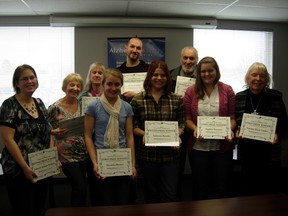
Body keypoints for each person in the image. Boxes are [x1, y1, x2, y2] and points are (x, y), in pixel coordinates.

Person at [0, 64, 53, 216]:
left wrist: (51, 158)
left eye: (32, 77)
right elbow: (8, 140)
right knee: (23, 210)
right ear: (17, 83)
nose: (30, 81)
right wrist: (25, 168)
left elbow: (48, 131)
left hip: (41, 167)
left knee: (39, 208)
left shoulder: (40, 103)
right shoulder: (9, 105)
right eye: (25, 79)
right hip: (19, 170)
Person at [130, 60, 185, 203]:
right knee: (151, 194)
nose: (159, 78)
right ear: (149, 76)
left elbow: (182, 124)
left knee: (170, 195)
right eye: (155, 74)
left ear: (167, 77)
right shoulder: (137, 100)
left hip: (170, 156)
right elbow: (133, 126)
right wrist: (145, 135)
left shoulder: (176, 100)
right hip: (148, 156)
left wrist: (176, 136)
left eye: (162, 75)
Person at [183, 56, 236, 200]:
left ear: (216, 71)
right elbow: (187, 119)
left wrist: (228, 129)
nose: (207, 74)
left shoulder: (227, 90)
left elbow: (232, 118)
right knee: (200, 187)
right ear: (198, 73)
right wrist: (195, 128)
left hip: (222, 148)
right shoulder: (190, 91)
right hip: (198, 148)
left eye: (210, 70)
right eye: (203, 71)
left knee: (221, 187)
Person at [84, 68, 137, 206]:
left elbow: (129, 136)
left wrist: (132, 164)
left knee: (123, 202)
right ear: (103, 84)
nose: (113, 88)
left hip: (122, 160)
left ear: (121, 85)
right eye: (109, 84)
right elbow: (88, 136)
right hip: (102, 161)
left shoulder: (126, 107)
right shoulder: (92, 106)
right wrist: (95, 163)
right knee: (105, 203)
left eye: (117, 84)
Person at [235, 62, 288, 196]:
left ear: (267, 79)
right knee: (247, 187)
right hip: (247, 150)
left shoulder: (275, 96)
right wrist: (237, 131)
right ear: (248, 78)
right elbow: (234, 121)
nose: (258, 79)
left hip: (268, 151)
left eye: (262, 76)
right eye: (254, 75)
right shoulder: (239, 97)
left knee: (267, 188)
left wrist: (277, 134)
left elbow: (283, 122)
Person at [47, 73, 88, 207]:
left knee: (82, 187)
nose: (75, 88)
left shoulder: (84, 104)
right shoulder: (55, 107)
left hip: (83, 152)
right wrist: (53, 133)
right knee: (79, 187)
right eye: (72, 85)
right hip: (65, 155)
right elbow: (46, 130)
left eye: (78, 85)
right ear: (65, 87)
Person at [170, 46, 199, 200]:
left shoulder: (204, 76)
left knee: (199, 168)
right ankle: (177, 201)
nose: (188, 61)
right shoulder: (170, 76)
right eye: (185, 58)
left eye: (192, 58)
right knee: (176, 168)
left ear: (196, 60)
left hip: (196, 127)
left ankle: (198, 202)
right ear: (181, 59)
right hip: (177, 126)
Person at [77, 62, 105, 206]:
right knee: (92, 173)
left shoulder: (108, 95)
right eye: (94, 72)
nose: (97, 75)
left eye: (100, 73)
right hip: (87, 139)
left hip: (104, 139)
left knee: (104, 174)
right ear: (90, 75)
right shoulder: (82, 97)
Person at [117, 37, 149, 102]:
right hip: (123, 110)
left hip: (143, 109)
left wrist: (136, 95)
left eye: (138, 48)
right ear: (125, 48)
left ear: (141, 51)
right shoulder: (117, 72)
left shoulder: (149, 70)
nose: (135, 50)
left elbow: (154, 92)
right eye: (132, 46)